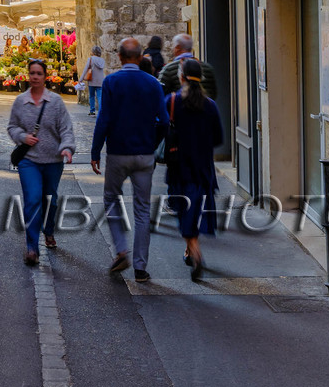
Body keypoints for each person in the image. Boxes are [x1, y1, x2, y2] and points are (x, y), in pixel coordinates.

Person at [91, 36, 169, 281]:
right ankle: (140, 267)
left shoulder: (112, 81)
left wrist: (95, 152)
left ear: (120, 57)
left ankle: (121, 249)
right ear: (140, 57)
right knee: (143, 210)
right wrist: (153, 145)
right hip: (144, 154)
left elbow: (103, 119)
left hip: (117, 152)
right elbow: (165, 122)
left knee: (111, 199)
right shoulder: (154, 84)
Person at [8, 57, 75, 266]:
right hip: (29, 161)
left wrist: (67, 147)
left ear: (45, 77)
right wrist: (22, 137)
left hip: (53, 160)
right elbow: (12, 127)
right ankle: (31, 247)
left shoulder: (55, 102)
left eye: (39, 73)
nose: (35, 77)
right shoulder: (20, 101)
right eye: (32, 73)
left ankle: (49, 229)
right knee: (33, 199)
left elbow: (66, 128)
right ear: (28, 76)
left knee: (51, 200)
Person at [164, 58, 223, 281]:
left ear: (181, 77)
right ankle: (189, 250)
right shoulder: (210, 105)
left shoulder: (172, 101)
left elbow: (161, 129)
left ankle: (195, 251)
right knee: (195, 209)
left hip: (179, 165)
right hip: (203, 166)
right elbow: (218, 138)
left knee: (183, 209)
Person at [161, 33, 219, 100]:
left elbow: (161, 94)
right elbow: (213, 93)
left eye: (173, 46)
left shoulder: (168, 69)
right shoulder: (208, 68)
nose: (172, 49)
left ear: (177, 47)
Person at [81, 46, 106, 115]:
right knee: (100, 97)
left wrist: (81, 79)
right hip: (100, 81)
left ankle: (92, 111)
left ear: (93, 52)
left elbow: (85, 69)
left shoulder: (91, 59)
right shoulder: (102, 60)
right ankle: (101, 111)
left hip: (92, 80)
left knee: (92, 96)